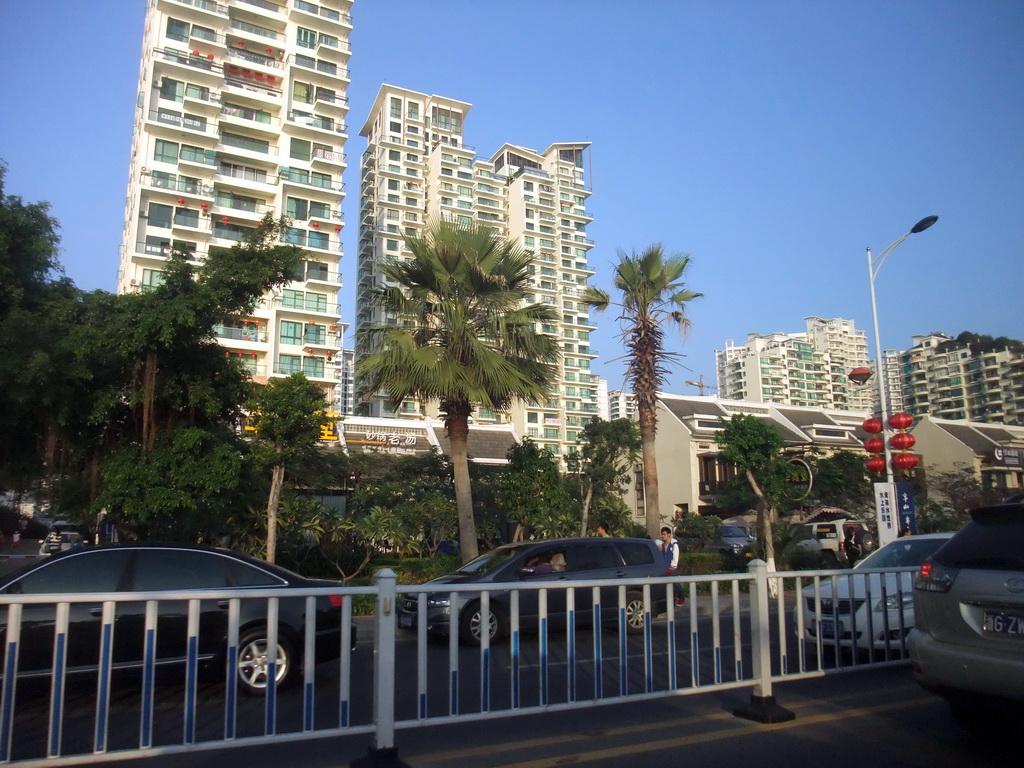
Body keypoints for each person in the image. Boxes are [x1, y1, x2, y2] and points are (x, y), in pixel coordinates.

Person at [661, 527, 685, 607]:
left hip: (673, 567)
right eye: (662, 534)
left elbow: (675, 555)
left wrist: (673, 566)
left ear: (669, 535)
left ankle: (681, 598)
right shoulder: (663, 545)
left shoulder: (674, 544)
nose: (663, 536)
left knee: (676, 583)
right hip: (666, 567)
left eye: (664, 534)